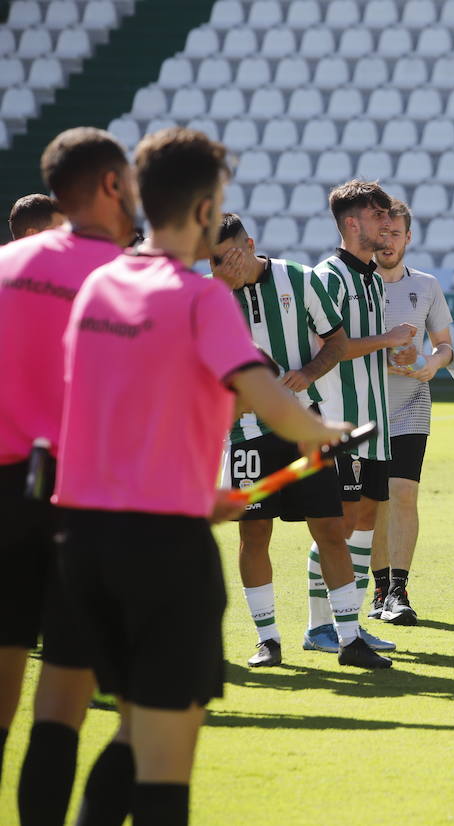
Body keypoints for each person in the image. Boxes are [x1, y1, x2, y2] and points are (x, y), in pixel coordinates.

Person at [54, 126, 348, 825]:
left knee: (126, 729)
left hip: (83, 542)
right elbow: (274, 403)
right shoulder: (200, 297)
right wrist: (328, 434)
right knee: (165, 752)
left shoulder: (99, 284)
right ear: (207, 209)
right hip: (161, 549)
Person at [0, 128, 136, 823]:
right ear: (112, 186)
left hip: (2, 495)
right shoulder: (129, 279)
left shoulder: (2, 266)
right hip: (84, 502)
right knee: (60, 712)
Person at [210, 213, 394, 670]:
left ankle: (350, 639)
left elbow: (337, 342)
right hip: (245, 433)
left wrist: (308, 372)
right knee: (254, 532)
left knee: (330, 528)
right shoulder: (208, 298)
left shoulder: (300, 279)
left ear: (250, 244)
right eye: (214, 261)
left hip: (303, 426)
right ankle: (267, 640)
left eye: (230, 256)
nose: (223, 268)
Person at [304, 181, 415, 656]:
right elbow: (332, 347)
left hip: (376, 418)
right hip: (339, 419)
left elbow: (366, 345)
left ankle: (351, 621)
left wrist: (395, 350)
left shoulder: (371, 276)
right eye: (376, 218)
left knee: (367, 514)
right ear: (352, 223)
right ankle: (319, 626)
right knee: (338, 523)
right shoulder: (328, 276)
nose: (386, 227)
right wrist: (388, 340)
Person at [373, 199, 454, 626]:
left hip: (411, 403)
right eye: (382, 232)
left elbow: (444, 345)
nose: (388, 240)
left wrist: (432, 361)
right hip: (363, 407)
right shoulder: (353, 285)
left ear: (408, 237)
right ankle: (377, 588)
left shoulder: (425, 286)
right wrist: (379, 359)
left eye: (396, 233)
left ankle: (397, 590)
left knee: (403, 493)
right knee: (371, 503)